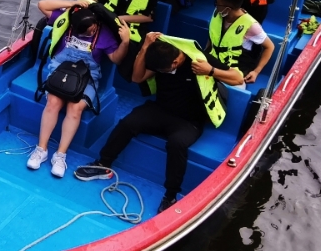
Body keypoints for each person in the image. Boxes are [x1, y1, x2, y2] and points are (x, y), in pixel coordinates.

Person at [75, 31, 229, 211]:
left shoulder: (200, 59)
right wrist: (145, 47)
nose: (162, 73)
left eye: (164, 71)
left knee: (177, 144)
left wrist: (210, 70)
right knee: (127, 123)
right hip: (160, 109)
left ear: (176, 62)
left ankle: (170, 195)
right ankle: (103, 164)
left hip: (189, 120)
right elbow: (137, 78)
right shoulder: (160, 58)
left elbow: (237, 77)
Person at [28, 0, 133, 178]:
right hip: (61, 69)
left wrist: (125, 42)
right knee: (53, 102)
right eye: (87, 31)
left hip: (88, 76)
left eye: (93, 29)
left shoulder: (104, 33)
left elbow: (116, 59)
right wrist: (74, 3)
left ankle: (60, 155)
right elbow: (43, 4)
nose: (91, 31)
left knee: (75, 108)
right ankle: (41, 149)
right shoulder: (67, 20)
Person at [207, 0, 274, 86]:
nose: (215, 5)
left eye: (217, 3)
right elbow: (212, 37)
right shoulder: (218, 13)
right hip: (212, 62)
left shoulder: (251, 26)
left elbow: (270, 47)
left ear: (228, 9)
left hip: (234, 71)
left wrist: (256, 71)